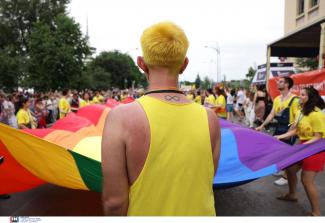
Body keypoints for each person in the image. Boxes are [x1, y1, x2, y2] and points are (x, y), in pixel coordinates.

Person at [101, 22, 220, 216]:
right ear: (184, 64)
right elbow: (205, 178)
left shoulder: (120, 118)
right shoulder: (210, 118)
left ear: (141, 63)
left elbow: (114, 201)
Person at [275, 87, 325, 216]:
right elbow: (295, 131)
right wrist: (279, 137)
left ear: (310, 98)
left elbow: (318, 136)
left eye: (302, 95)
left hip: (316, 148)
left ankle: (316, 213)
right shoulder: (301, 112)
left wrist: (302, 147)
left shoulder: (317, 114)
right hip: (304, 145)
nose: (299, 96)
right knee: (290, 169)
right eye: (300, 94)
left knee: (306, 181)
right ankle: (292, 195)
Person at [256, 77, 300, 186]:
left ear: (287, 84)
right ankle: (282, 168)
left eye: (280, 82)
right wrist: (262, 125)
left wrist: (290, 131)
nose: (278, 83)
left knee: (287, 152)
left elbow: (297, 118)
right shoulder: (277, 99)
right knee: (279, 150)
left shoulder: (295, 99)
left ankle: (286, 176)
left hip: (289, 128)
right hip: (279, 127)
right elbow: (272, 114)